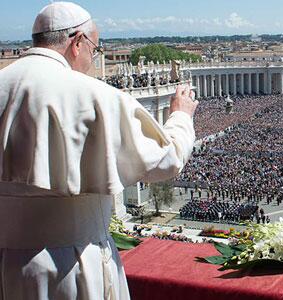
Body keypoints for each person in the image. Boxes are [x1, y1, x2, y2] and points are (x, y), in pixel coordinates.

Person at [0, 2, 198, 300]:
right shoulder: (96, 95)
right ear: (77, 42)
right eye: (94, 47)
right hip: (72, 266)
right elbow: (166, 161)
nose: (93, 58)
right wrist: (181, 116)